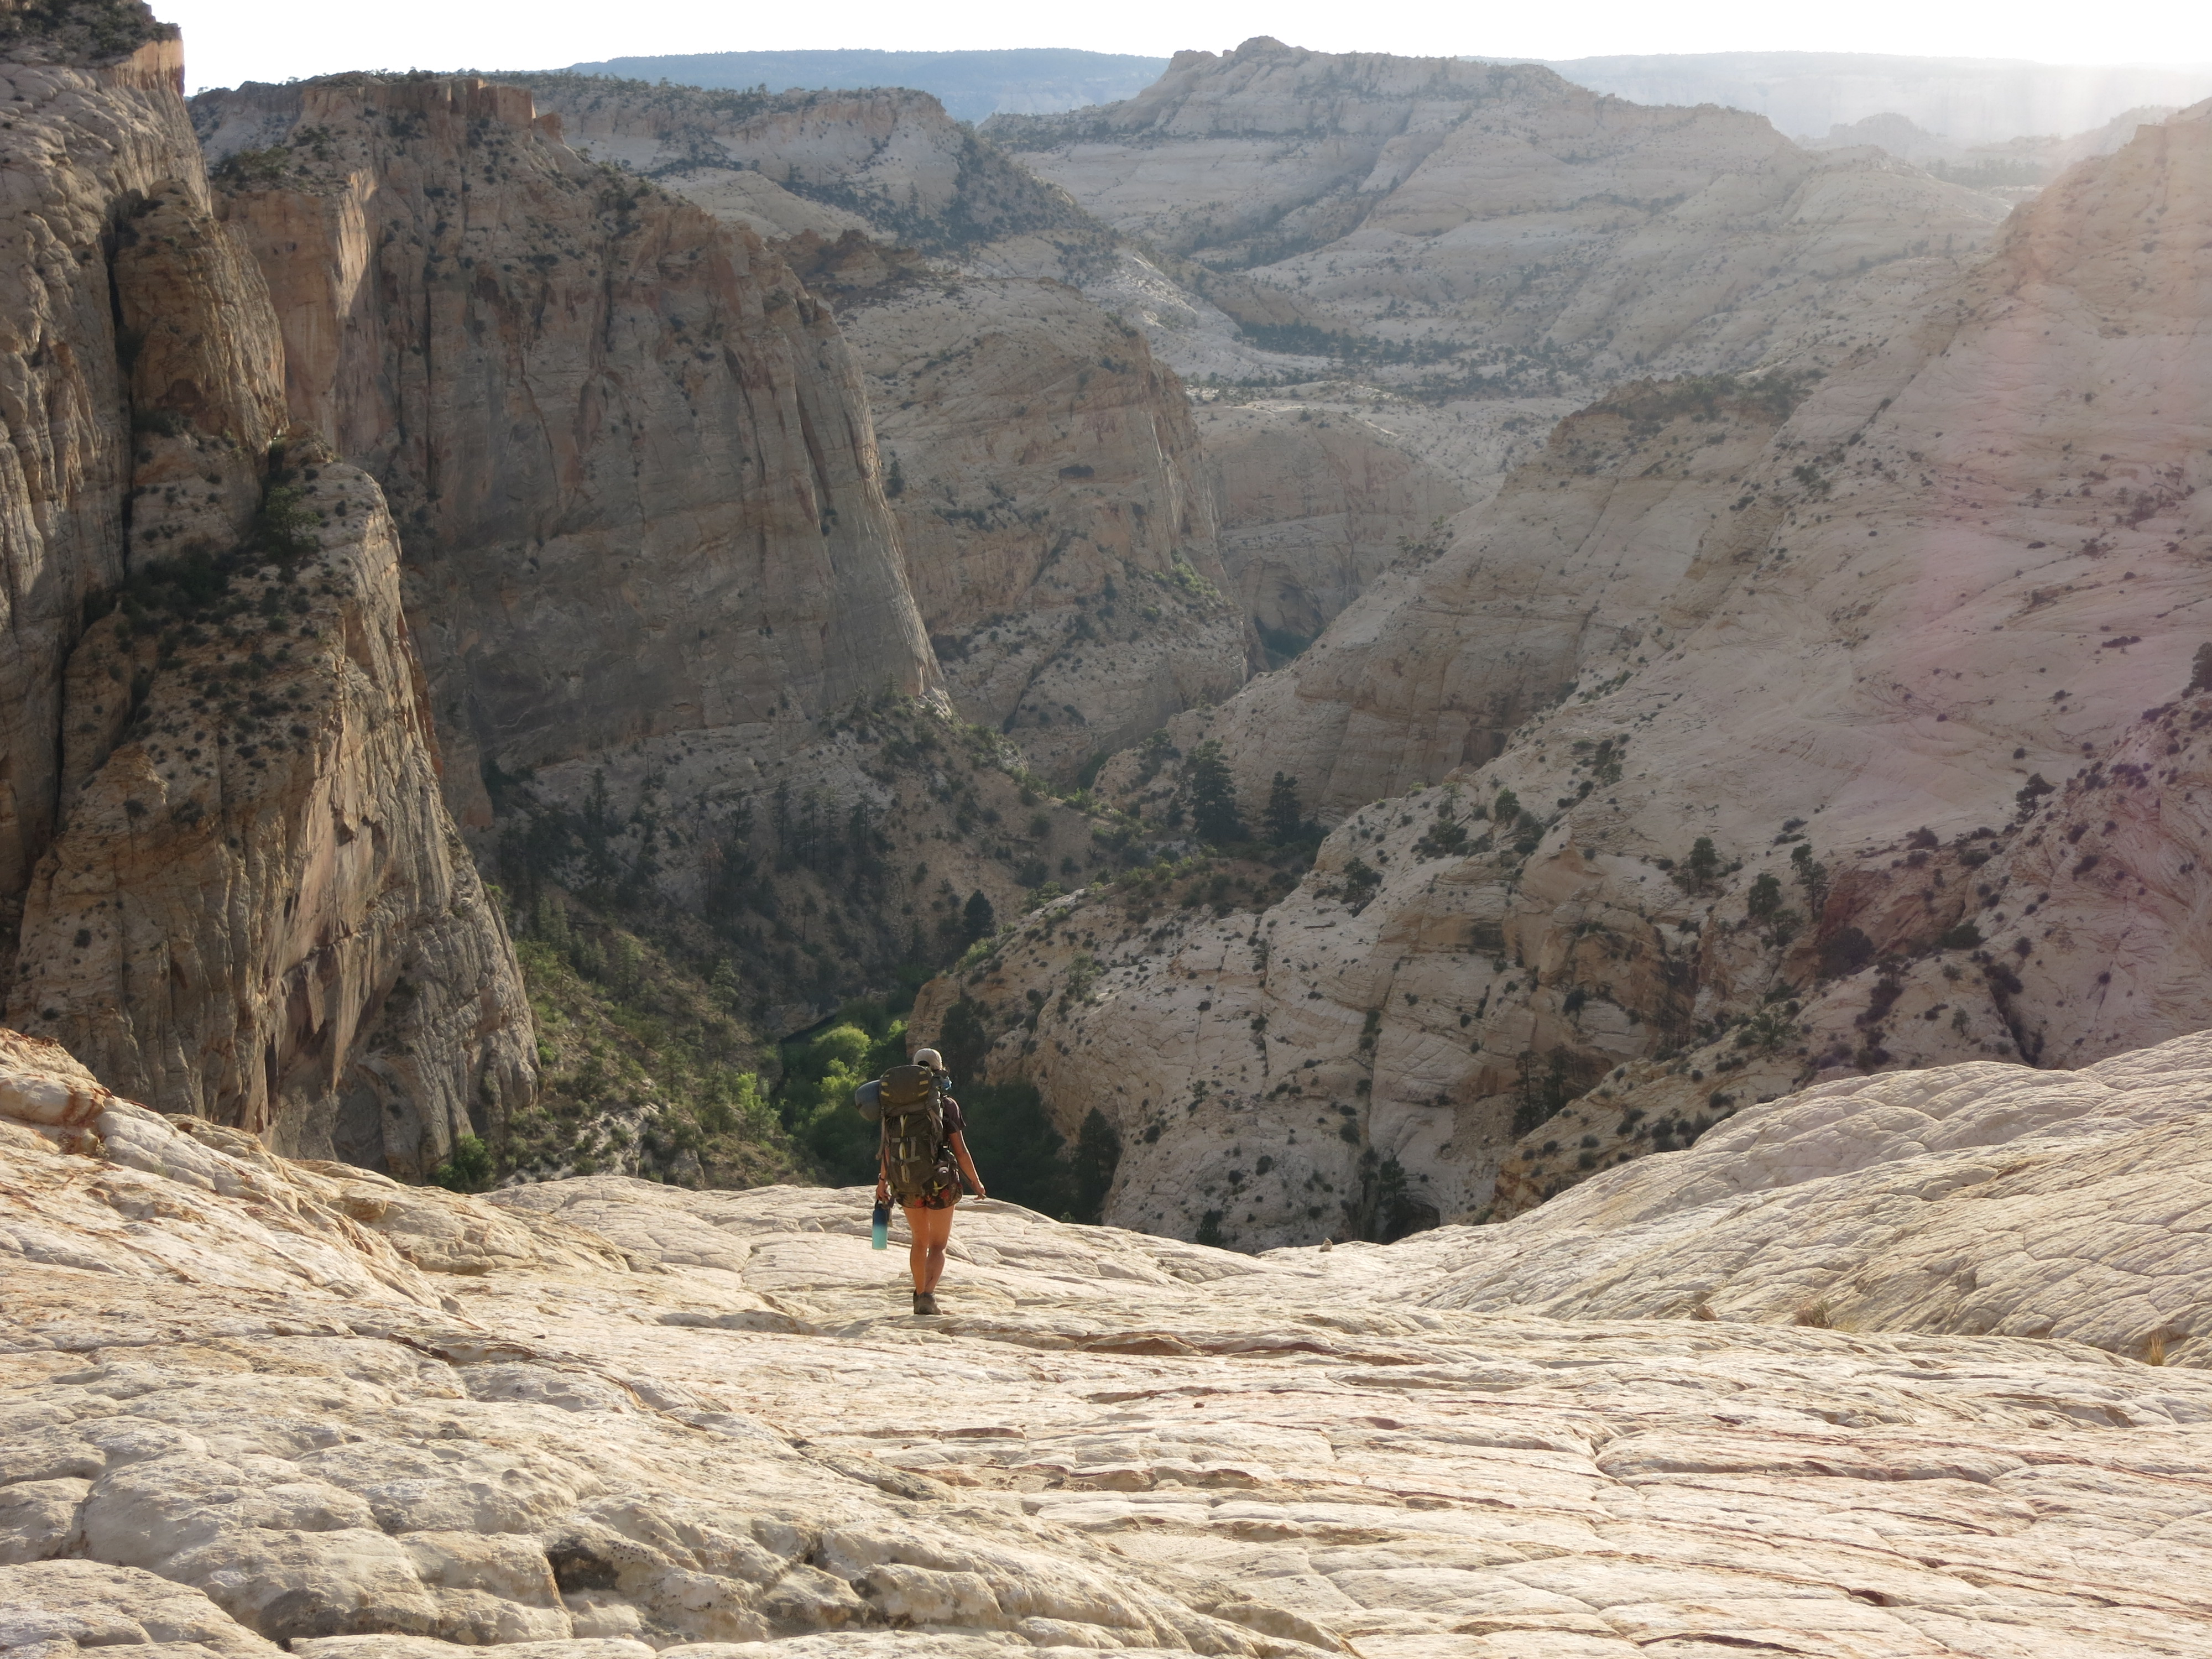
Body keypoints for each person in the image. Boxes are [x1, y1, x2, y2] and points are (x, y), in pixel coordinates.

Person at [875, 1046, 985, 1316]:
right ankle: (927, 1296)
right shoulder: (946, 1105)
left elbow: (888, 1148)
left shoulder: (894, 1108)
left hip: (906, 1183)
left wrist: (882, 1182)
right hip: (940, 1183)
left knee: (919, 1241)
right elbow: (960, 1150)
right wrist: (976, 1182)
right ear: (938, 1071)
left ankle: (918, 1295)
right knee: (938, 1245)